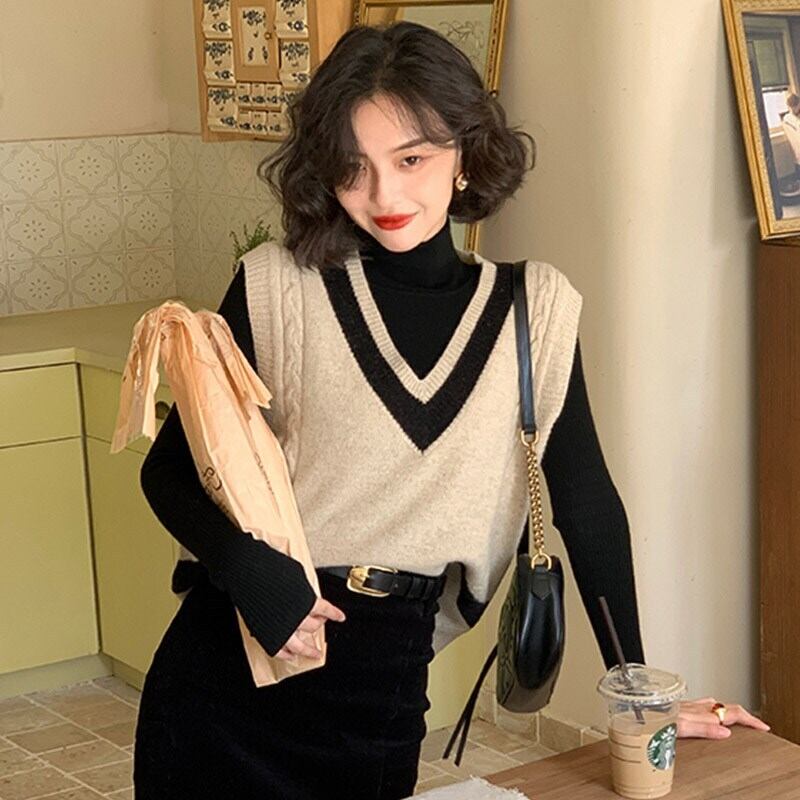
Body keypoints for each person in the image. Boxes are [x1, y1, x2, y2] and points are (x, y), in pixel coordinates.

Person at [132, 21, 768, 800]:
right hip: (226, 682)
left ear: (464, 154)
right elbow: (168, 472)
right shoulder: (276, 289)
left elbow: (588, 505)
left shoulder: (535, 311)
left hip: (385, 688)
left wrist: (639, 693)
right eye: (353, 167)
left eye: (412, 160)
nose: (384, 196)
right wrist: (249, 571)